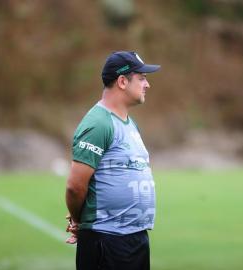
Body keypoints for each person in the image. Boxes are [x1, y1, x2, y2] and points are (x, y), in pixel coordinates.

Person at [65, 51, 160, 270]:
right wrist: (80, 221)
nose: (147, 84)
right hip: (106, 241)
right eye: (142, 78)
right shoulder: (99, 123)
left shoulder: (129, 123)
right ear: (122, 81)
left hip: (134, 239)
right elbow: (75, 186)